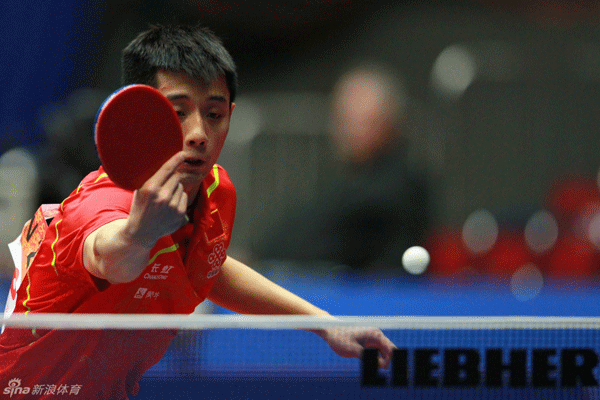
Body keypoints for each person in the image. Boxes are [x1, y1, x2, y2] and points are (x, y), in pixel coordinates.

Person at [0, 25, 395, 399]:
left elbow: (205, 266)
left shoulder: (215, 192)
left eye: (214, 114)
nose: (199, 134)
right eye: (178, 112)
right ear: (143, 112)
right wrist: (139, 232)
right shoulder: (100, 204)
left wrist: (322, 323)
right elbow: (111, 255)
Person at [253, 62, 431, 271]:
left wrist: (259, 256)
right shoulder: (344, 180)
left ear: (388, 122)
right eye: (342, 120)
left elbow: (327, 233)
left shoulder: (401, 185)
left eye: (361, 121)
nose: (346, 131)